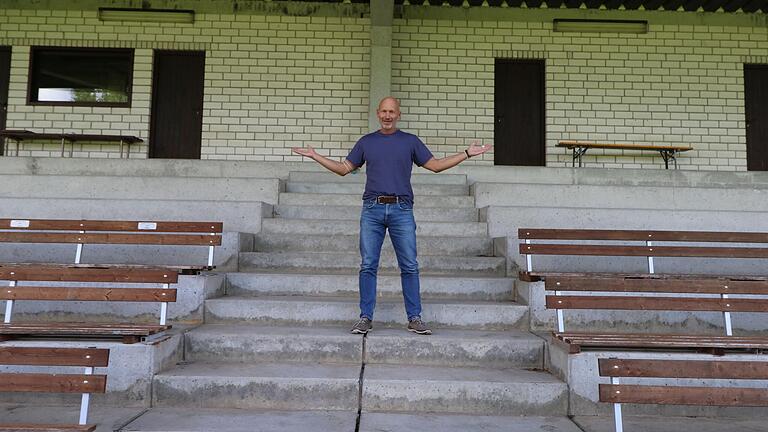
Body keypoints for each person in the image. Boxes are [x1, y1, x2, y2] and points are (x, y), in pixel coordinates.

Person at [292, 96, 492, 335]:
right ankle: (365, 317)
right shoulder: (367, 142)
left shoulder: (409, 141)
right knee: (368, 265)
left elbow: (435, 165)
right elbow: (344, 169)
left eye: (392, 112)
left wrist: (467, 153)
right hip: (372, 209)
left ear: (399, 114)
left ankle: (414, 318)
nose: (387, 116)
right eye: (384, 111)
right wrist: (316, 155)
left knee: (409, 266)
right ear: (378, 113)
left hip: (401, 210)